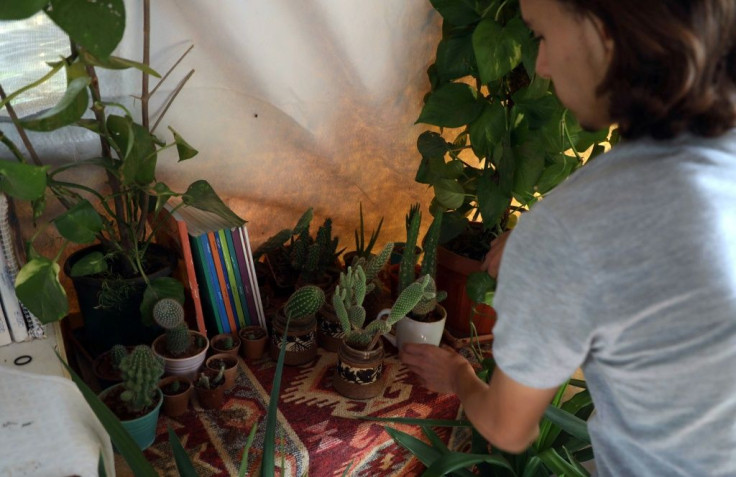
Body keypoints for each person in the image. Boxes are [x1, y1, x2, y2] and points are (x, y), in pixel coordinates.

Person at [400, 1, 736, 475]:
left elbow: (508, 427)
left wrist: (458, 375)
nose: (541, 65)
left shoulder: (575, 224)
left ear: (604, 34)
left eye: (541, 35)